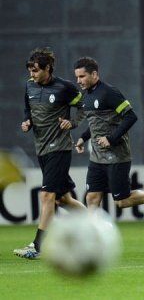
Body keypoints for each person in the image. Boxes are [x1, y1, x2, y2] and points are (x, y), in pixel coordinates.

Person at [73, 57, 144, 216]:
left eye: (82, 76)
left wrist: (111, 138)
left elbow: (131, 117)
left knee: (122, 201)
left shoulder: (109, 92)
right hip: (97, 157)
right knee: (92, 197)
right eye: (77, 77)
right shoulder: (86, 96)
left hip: (117, 156)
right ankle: (92, 239)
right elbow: (97, 123)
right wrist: (83, 138)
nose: (78, 80)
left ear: (94, 74)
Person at [14, 48, 87, 259]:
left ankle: (39, 245)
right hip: (42, 148)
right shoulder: (29, 86)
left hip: (60, 147)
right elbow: (28, 108)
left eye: (36, 70)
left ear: (48, 68)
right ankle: (99, 225)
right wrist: (27, 121)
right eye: (30, 70)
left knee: (47, 195)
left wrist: (72, 122)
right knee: (63, 200)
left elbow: (84, 106)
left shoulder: (64, 87)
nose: (32, 75)